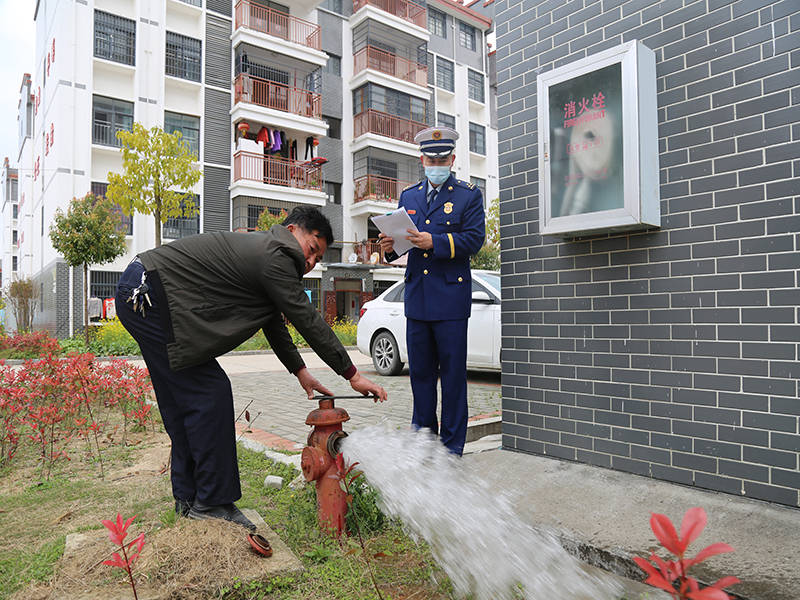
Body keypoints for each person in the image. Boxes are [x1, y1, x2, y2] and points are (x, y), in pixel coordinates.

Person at [115, 207, 387, 530]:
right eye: (312, 248)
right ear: (292, 230)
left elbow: (273, 321)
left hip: (143, 289)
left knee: (183, 400)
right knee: (210, 392)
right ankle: (212, 503)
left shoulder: (267, 254)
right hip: (149, 294)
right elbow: (308, 320)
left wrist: (300, 371)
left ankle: (189, 501)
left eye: (317, 258)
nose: (311, 261)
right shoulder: (276, 254)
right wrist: (352, 374)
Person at [378, 127, 485, 455]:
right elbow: (401, 243)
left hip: (451, 302)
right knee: (420, 377)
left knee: (452, 380)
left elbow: (474, 240)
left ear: (452, 159)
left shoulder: (468, 195)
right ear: (421, 160)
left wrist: (435, 242)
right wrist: (388, 248)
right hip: (418, 300)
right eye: (430, 158)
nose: (435, 163)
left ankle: (451, 450)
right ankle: (423, 442)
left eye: (442, 158)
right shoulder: (409, 196)